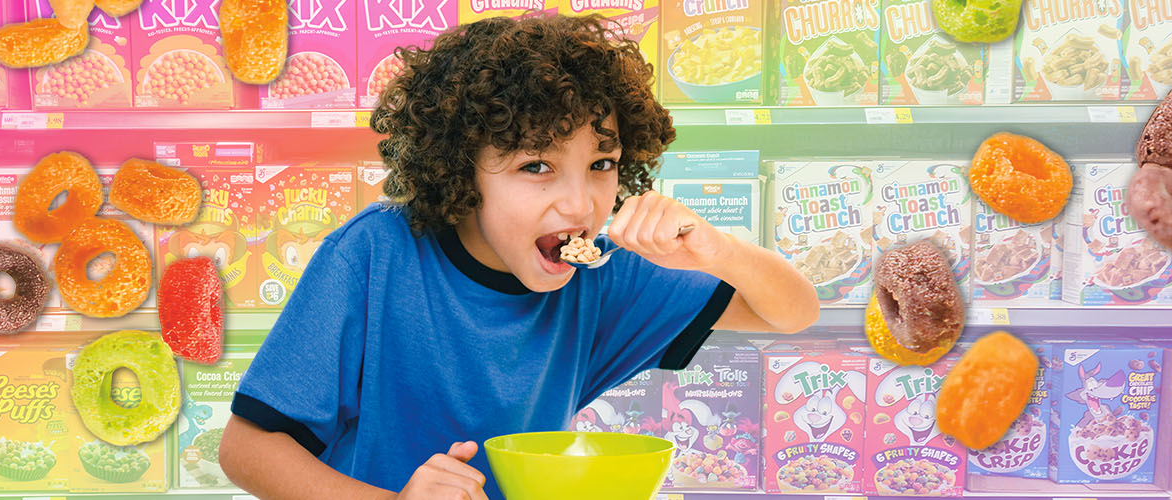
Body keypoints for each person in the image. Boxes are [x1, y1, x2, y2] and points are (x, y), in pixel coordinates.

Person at [219, 14, 819, 500]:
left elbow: (789, 312)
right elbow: (246, 448)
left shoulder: (600, 275)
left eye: (601, 164)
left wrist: (720, 250)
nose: (580, 203)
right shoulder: (374, 255)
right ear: (462, 168)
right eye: (537, 166)